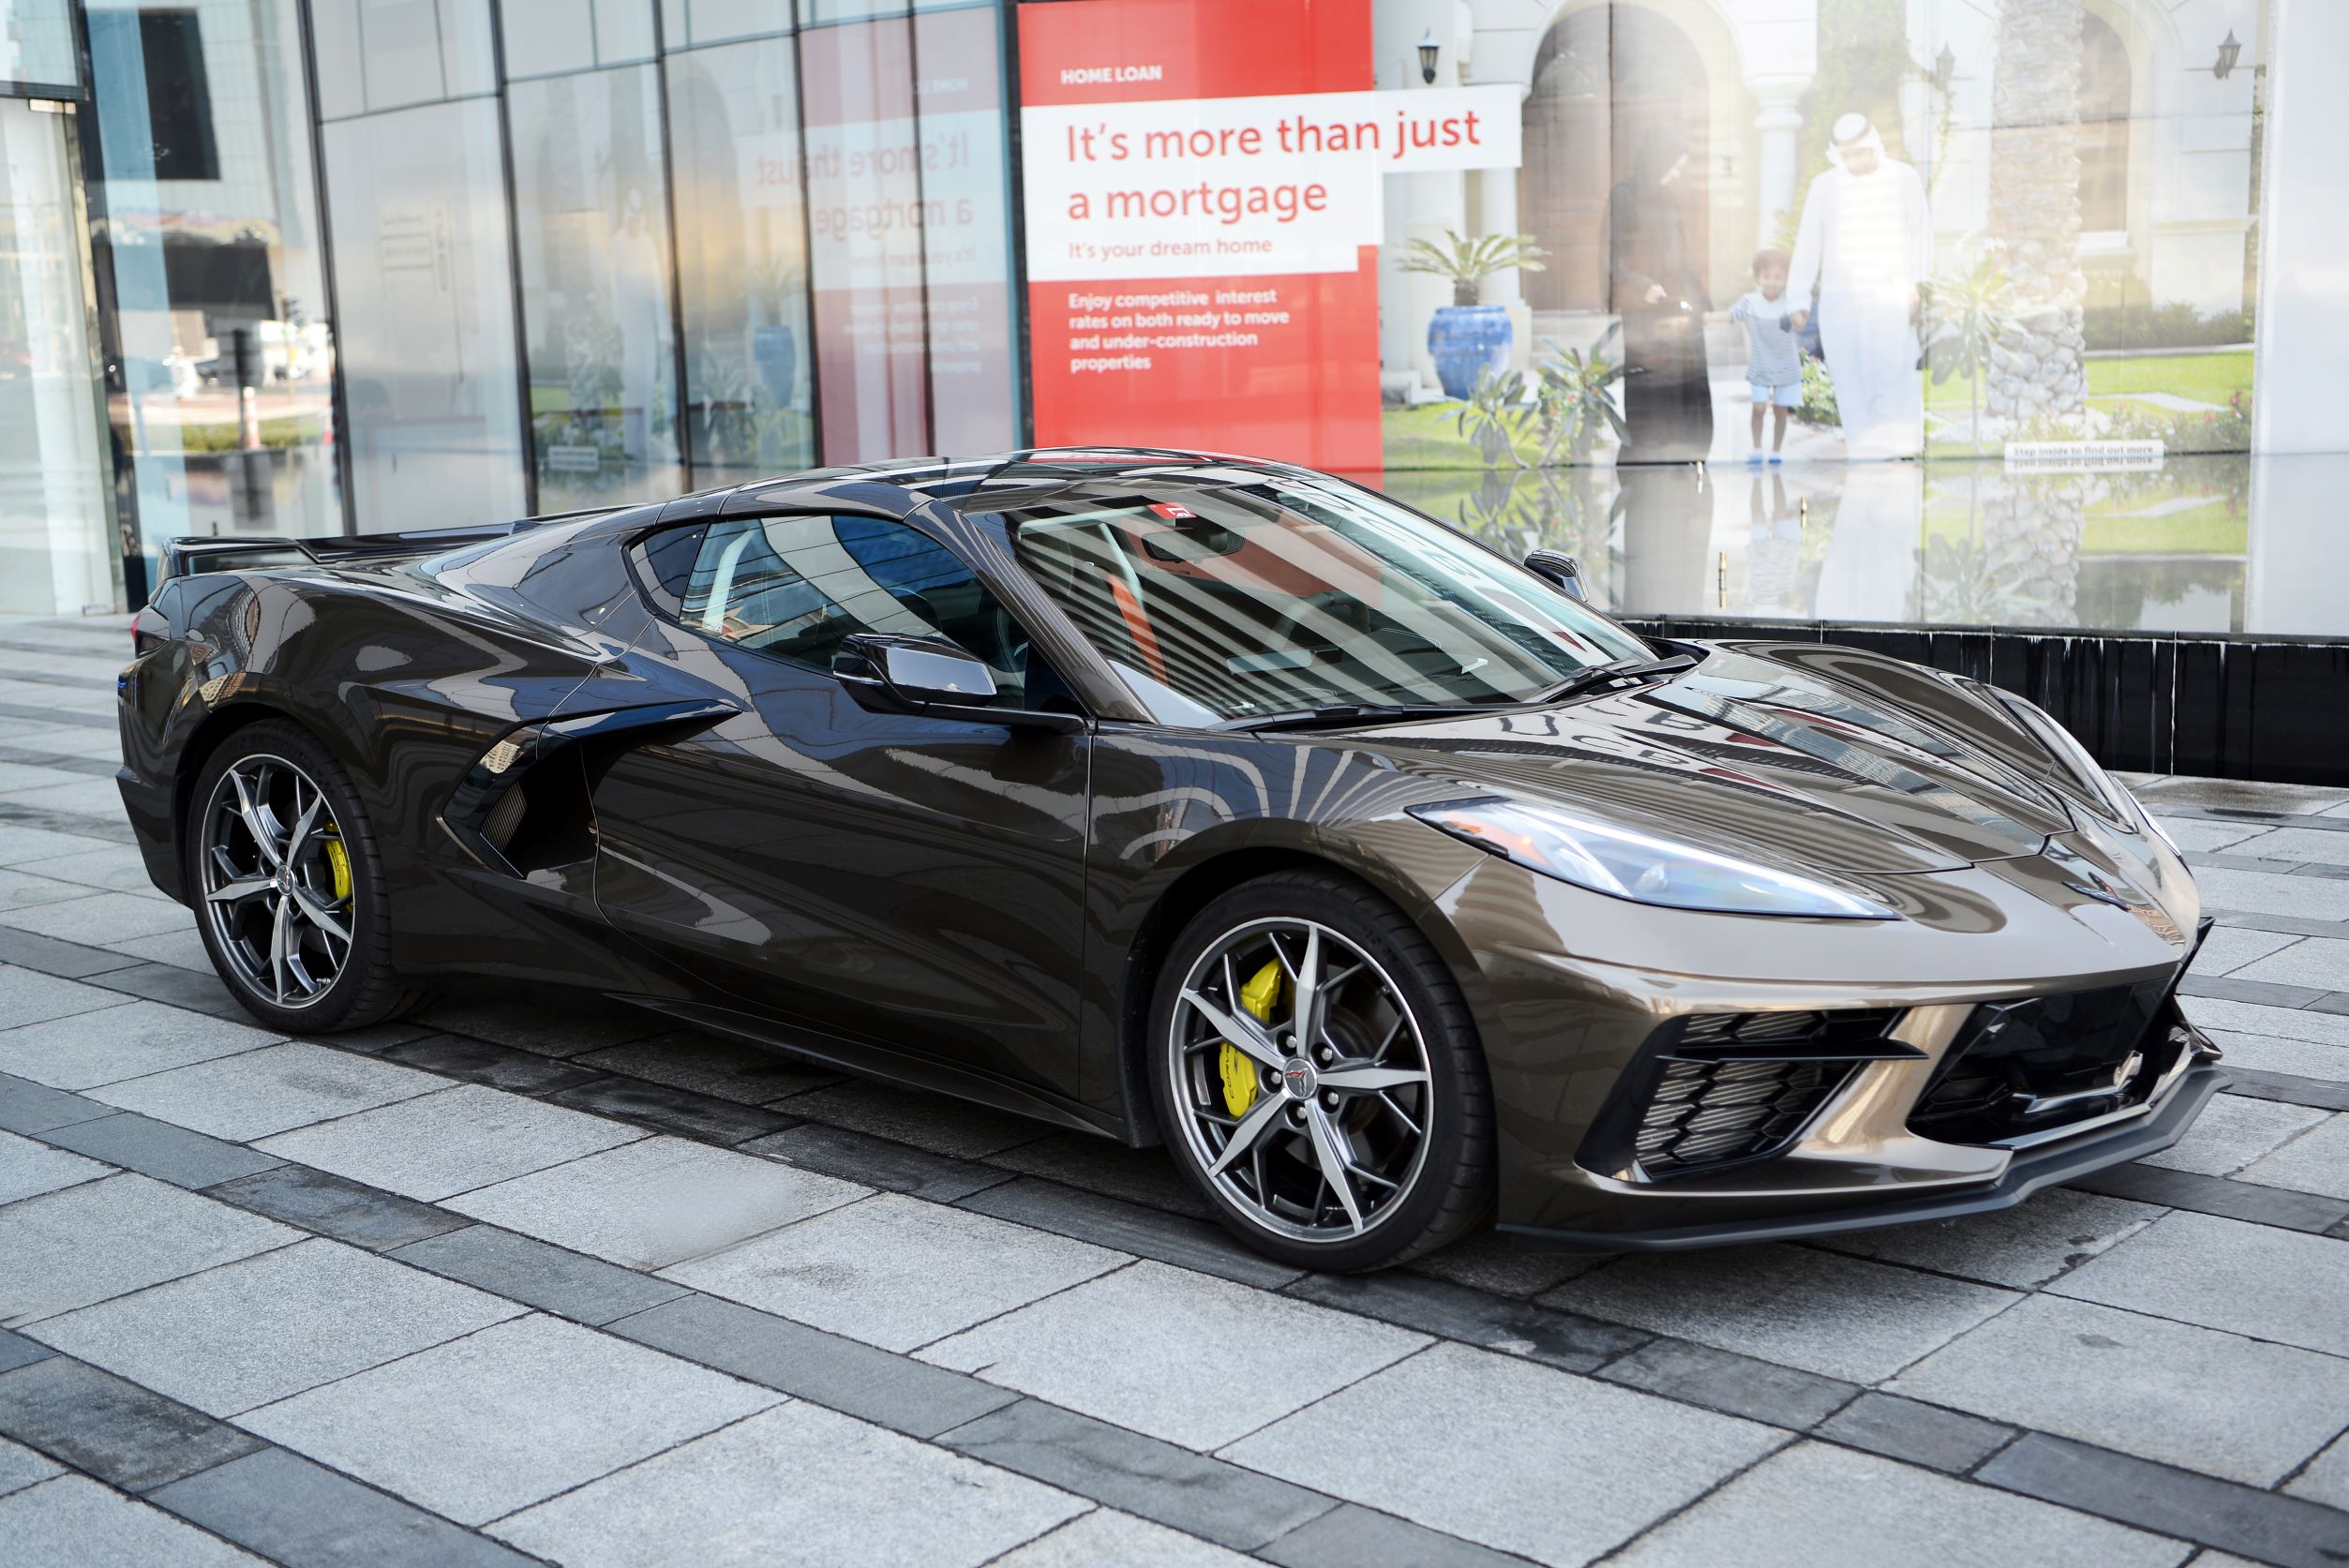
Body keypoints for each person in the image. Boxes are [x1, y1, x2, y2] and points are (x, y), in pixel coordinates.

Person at [1786, 113, 1930, 459]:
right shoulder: (1824, 185)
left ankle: (1901, 451)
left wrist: (1919, 286)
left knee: (1892, 373)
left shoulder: (1903, 177)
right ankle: (1864, 454)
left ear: (1874, 146)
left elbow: (1922, 236)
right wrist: (1798, 297)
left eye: (1860, 153)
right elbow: (1809, 243)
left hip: (1889, 295)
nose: (1855, 161)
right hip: (1840, 300)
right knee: (1849, 379)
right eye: (1847, 155)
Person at [1607, 127, 1712, 464]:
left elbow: (1681, 251)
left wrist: (1700, 297)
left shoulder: (1666, 197)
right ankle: (1649, 447)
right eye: (1674, 165)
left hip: (1676, 307)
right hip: (1644, 308)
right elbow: (1612, 255)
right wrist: (1640, 285)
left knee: (1685, 377)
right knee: (1649, 375)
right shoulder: (1623, 195)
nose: (1676, 172)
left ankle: (1684, 447)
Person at [1729, 247, 1802, 463]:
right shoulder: (1749, 301)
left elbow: (1800, 323)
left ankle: (1776, 452)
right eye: (1766, 276)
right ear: (1758, 278)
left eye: (1777, 277)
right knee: (1758, 407)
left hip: (1786, 367)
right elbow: (1731, 316)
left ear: (1786, 279)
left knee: (1781, 410)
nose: (1772, 282)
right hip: (1760, 366)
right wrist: (1703, 319)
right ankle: (1757, 448)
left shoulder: (1791, 301)